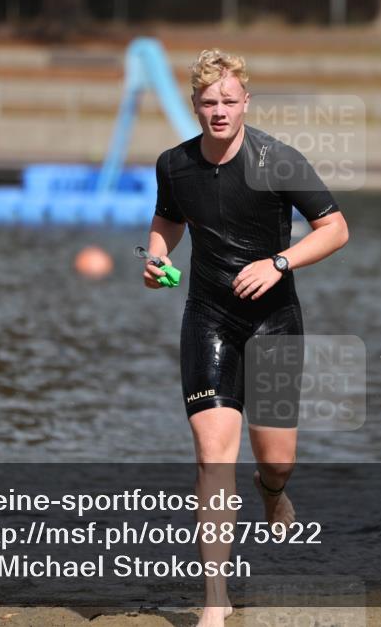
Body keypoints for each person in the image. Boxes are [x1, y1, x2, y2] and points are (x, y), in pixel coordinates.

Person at [142, 49, 349, 627]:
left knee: (276, 458)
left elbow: (335, 229)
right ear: (195, 106)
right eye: (209, 102)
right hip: (207, 317)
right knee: (212, 456)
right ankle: (215, 598)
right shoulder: (174, 164)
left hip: (274, 321)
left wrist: (280, 263)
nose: (219, 112)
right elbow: (168, 220)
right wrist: (156, 257)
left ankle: (271, 489)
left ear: (245, 103)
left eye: (229, 102)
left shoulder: (277, 160)